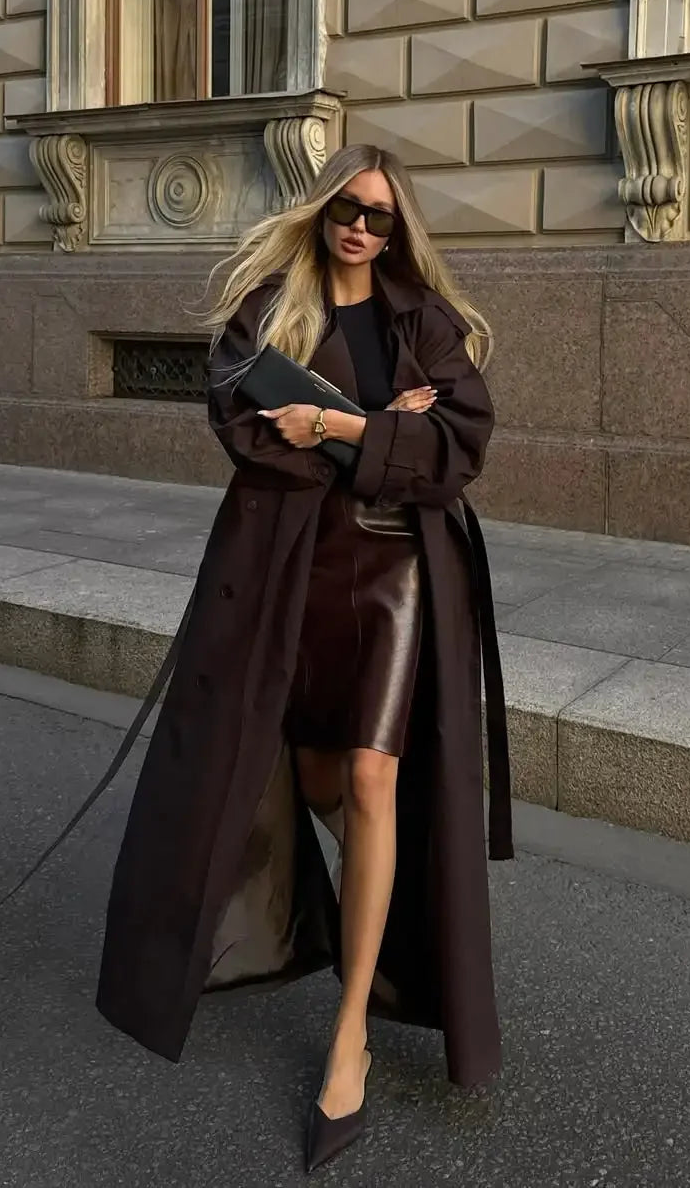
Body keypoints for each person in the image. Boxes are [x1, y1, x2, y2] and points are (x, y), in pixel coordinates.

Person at [96, 143, 513, 1173]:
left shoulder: (426, 321)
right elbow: (244, 432)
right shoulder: (269, 310)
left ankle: (350, 1031)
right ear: (322, 212)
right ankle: (367, 883)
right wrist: (381, 432)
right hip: (292, 568)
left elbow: (456, 450)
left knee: (371, 776)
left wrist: (332, 422)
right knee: (310, 772)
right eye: (346, 209)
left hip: (397, 573)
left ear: (399, 228)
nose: (361, 227)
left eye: (379, 215)